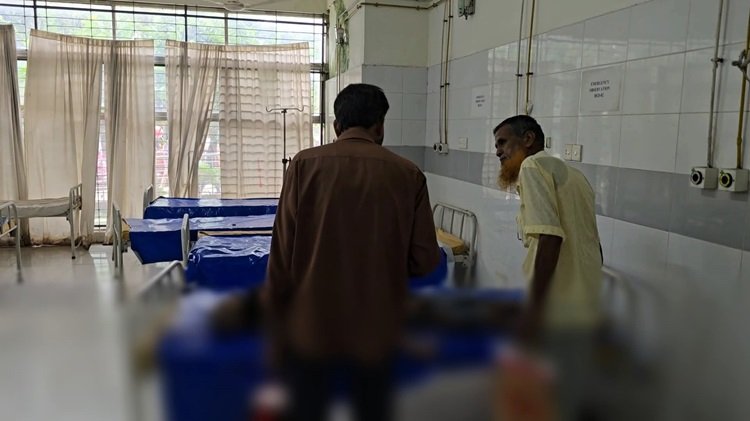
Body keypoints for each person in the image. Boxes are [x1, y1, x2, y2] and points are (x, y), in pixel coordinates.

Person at [263, 83, 441, 421]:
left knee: (307, 411)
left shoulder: (303, 165)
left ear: (336, 126)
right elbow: (425, 260)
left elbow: (282, 256)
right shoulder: (408, 174)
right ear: (380, 126)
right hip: (376, 329)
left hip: (312, 326)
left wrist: (275, 329)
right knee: (372, 411)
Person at [493, 115, 603, 420]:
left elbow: (550, 237)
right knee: (566, 394)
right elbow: (594, 243)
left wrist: (534, 310)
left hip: (558, 306)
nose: (498, 151)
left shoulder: (532, 166)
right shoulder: (575, 175)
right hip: (584, 302)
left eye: (503, 142)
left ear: (528, 139)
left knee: (543, 401)